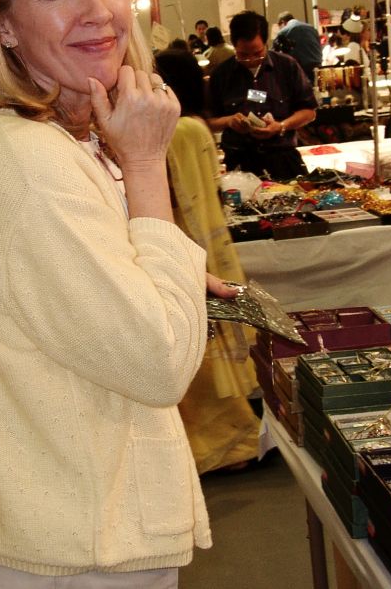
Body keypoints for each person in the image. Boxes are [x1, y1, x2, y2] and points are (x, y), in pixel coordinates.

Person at [0, 0, 233, 586]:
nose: (99, 12)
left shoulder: (48, 133)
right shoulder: (29, 160)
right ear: (4, 22)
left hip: (66, 517)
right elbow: (160, 363)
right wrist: (146, 164)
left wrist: (165, 275)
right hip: (75, 545)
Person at [154, 47, 260, 475]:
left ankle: (223, 445)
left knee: (196, 351)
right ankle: (235, 439)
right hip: (207, 243)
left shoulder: (175, 131)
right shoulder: (196, 127)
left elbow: (166, 194)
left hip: (182, 244)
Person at [205, 10, 316, 180]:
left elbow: (309, 111)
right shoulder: (221, 74)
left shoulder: (287, 66)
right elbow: (208, 121)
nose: (251, 60)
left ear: (266, 43)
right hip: (240, 162)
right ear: (233, 45)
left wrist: (281, 126)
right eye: (243, 55)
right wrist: (229, 121)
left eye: (258, 53)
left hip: (282, 159)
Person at [274, 11, 322, 78]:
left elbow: (273, 54)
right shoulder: (312, 28)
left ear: (282, 22)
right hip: (317, 68)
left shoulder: (284, 31)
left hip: (301, 70)